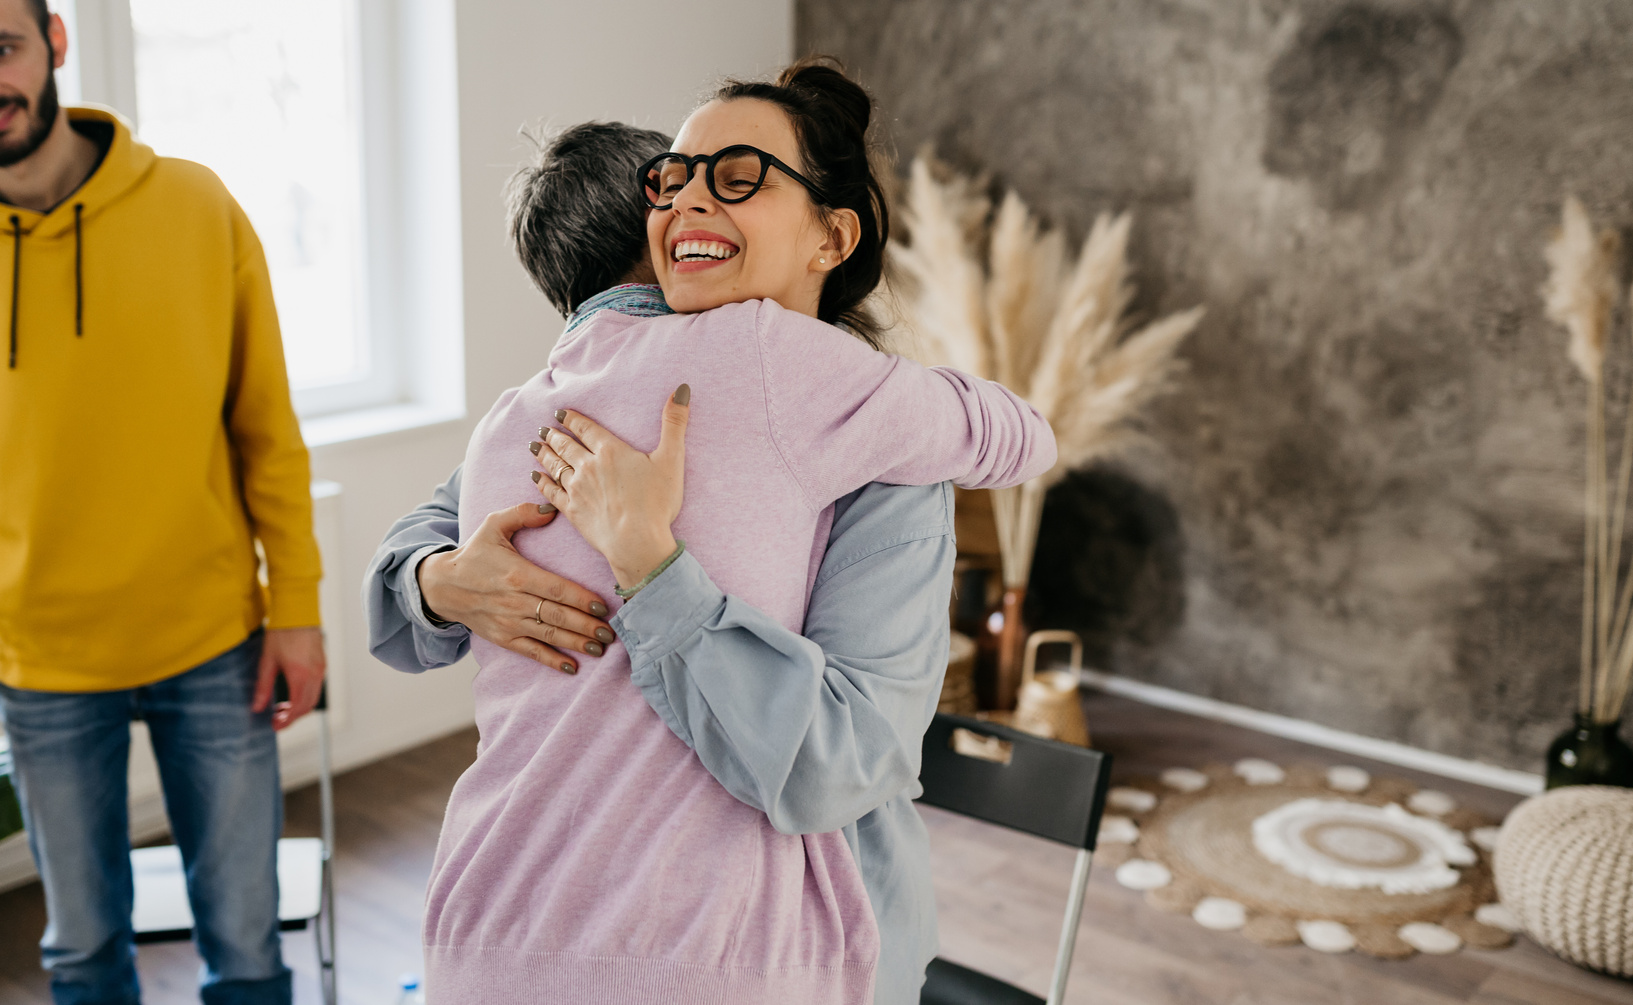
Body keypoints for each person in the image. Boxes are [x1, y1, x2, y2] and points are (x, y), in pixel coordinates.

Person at [427, 61, 1053, 1003]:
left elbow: (409, 569)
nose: (687, 201)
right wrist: (444, 576)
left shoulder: (513, 419)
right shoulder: (789, 366)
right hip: (698, 961)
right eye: (672, 180)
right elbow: (1024, 437)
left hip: (479, 931)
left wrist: (431, 578)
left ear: (832, 235)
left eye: (737, 177)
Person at [0, 2, 326, 1003]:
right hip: (40, 660)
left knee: (247, 947)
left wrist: (297, 606)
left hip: (211, 641)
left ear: (55, 42)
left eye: (3, 47)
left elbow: (266, 428)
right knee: (82, 954)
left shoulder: (193, 205)